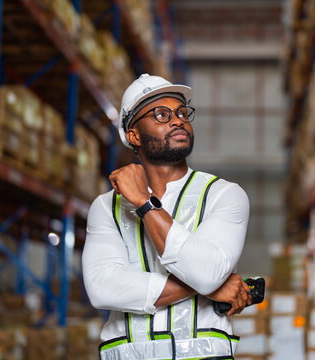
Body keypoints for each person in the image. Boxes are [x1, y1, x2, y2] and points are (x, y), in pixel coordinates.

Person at [82, 74, 251, 360]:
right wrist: (211, 288)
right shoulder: (106, 207)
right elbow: (102, 288)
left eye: (182, 113)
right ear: (133, 135)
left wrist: (144, 203)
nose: (178, 120)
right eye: (161, 114)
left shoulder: (223, 195)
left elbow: (208, 272)